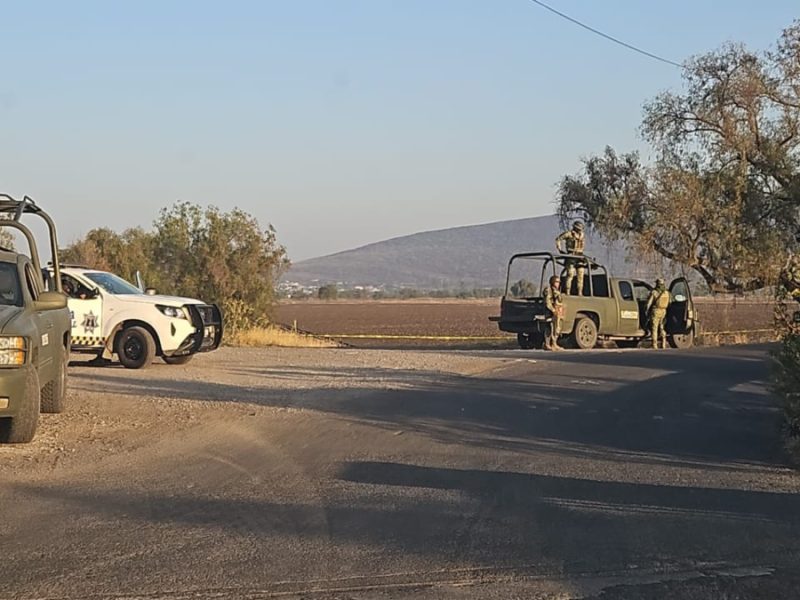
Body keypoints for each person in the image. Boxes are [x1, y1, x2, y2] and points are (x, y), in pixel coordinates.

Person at [556, 220, 586, 296]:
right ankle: (568, 291)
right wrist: (560, 249)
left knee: (581, 274)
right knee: (570, 274)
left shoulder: (582, 235)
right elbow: (558, 239)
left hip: (580, 256)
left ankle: (580, 292)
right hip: (571, 256)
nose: (580, 230)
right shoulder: (569, 234)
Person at [645, 278, 671, 349]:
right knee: (662, 327)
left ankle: (654, 344)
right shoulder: (667, 293)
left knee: (655, 328)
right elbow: (670, 302)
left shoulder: (654, 292)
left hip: (656, 311)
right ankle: (663, 343)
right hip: (664, 311)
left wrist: (646, 310)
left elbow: (649, 303)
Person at [543, 275, 565, 351]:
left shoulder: (556, 291)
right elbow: (547, 302)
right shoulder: (549, 290)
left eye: (558, 282)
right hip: (550, 312)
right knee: (551, 327)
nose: (558, 284)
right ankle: (549, 344)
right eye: (556, 282)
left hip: (556, 312)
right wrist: (553, 310)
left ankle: (553, 343)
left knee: (556, 328)